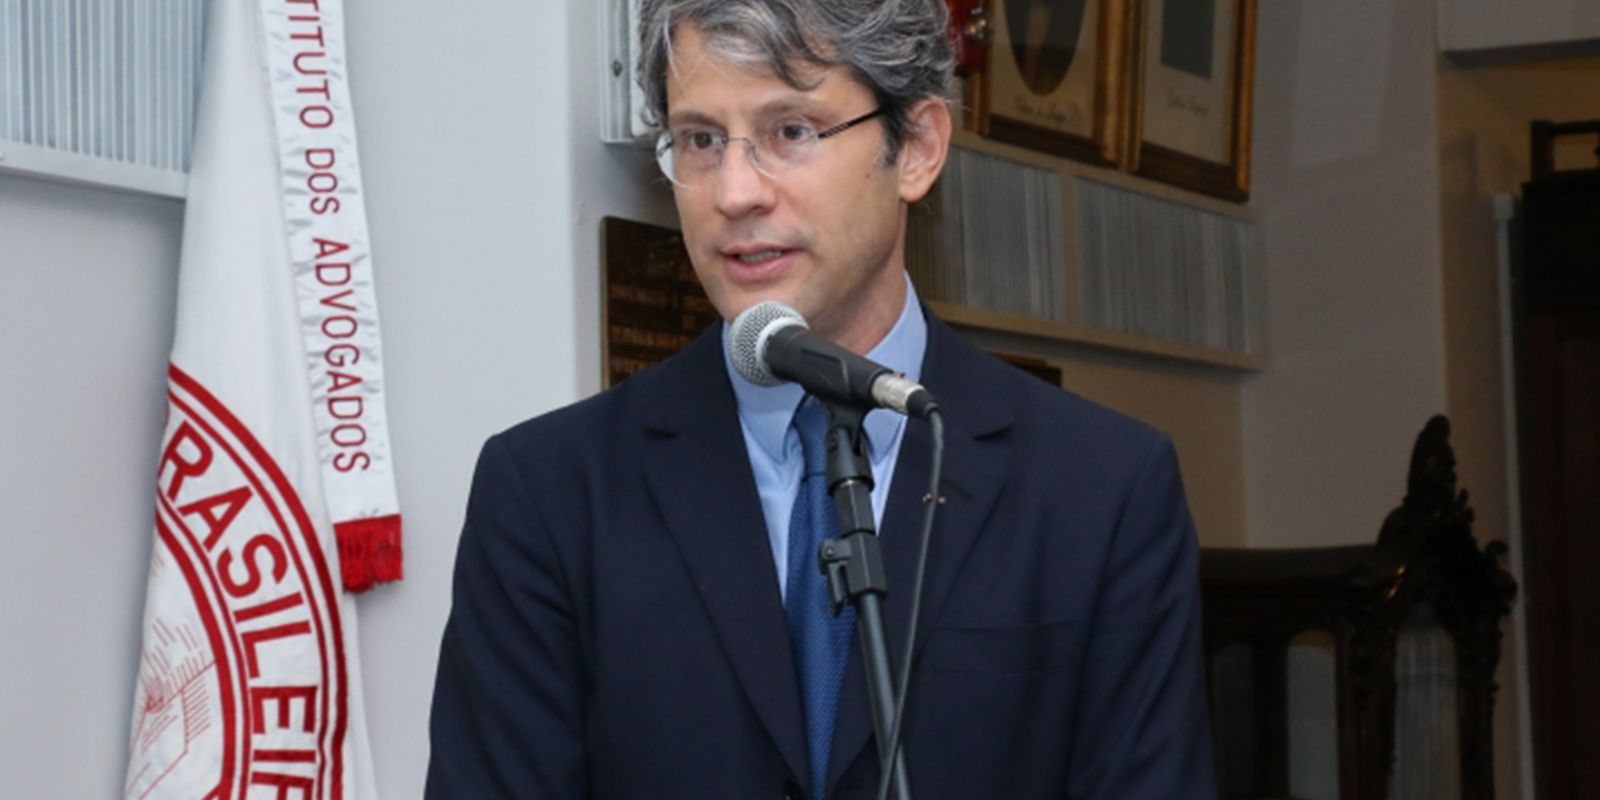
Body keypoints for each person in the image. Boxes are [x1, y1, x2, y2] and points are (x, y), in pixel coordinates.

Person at [425, 1, 1215, 797]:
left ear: (917, 148)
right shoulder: (550, 493)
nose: (735, 192)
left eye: (791, 131)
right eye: (700, 140)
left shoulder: (1101, 486)